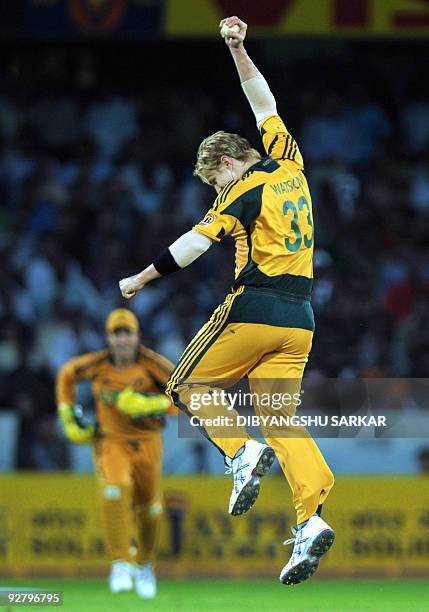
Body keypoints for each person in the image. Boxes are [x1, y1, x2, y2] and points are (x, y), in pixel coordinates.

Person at [119, 16, 335, 585]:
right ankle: (311, 519)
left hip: (255, 307)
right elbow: (262, 100)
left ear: (227, 162)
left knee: (184, 385)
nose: (214, 188)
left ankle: (239, 453)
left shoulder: (242, 188)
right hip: (302, 319)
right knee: (281, 419)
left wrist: (142, 278)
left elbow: (193, 245)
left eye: (212, 179)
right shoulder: (290, 164)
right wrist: (239, 48)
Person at [56, 308, 175, 598]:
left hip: (147, 442)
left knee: (150, 509)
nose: (122, 340)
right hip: (111, 442)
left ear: (137, 336)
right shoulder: (98, 364)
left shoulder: (152, 365)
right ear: (108, 337)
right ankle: (121, 562)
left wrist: (152, 404)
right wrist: (67, 411)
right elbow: (67, 374)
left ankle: (144, 564)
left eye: (127, 334)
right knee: (115, 490)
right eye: (116, 334)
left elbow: (186, 393)